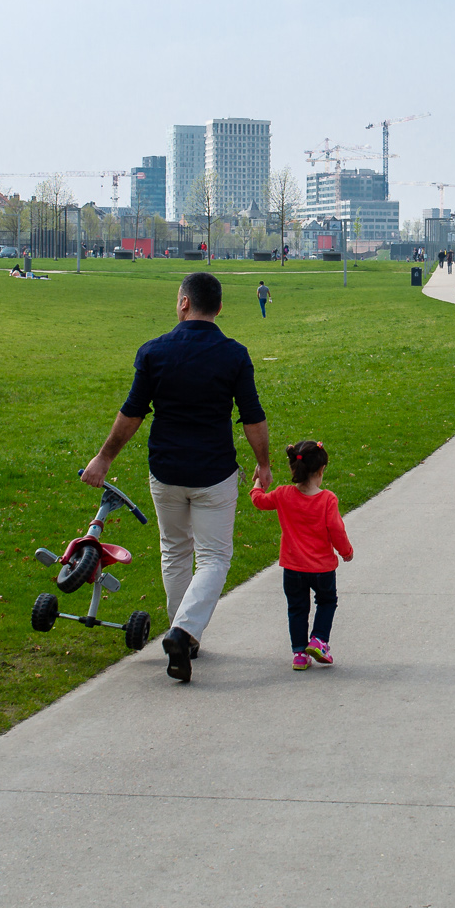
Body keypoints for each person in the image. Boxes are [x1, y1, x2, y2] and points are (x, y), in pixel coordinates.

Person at [80, 271, 271, 684]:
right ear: (218, 308)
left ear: (184, 303)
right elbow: (252, 417)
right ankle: (184, 632)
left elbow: (131, 413)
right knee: (215, 557)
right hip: (214, 473)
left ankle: (182, 634)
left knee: (175, 551)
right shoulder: (234, 355)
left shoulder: (154, 352)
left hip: (165, 471)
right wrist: (264, 463)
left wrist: (103, 458)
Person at [249, 439, 353, 670]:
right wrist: (346, 551)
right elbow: (336, 529)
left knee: (297, 608)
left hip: (293, 568)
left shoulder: (283, 494)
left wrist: (258, 480)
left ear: (294, 468)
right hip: (322, 568)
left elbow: (259, 500)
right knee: (327, 601)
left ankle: (299, 654)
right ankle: (318, 640)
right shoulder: (327, 499)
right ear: (321, 469)